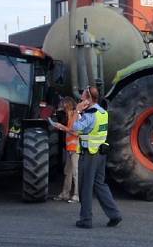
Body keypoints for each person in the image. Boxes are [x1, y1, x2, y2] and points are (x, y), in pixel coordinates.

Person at [72, 86, 122, 228]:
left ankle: (86, 219)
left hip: (89, 154)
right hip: (101, 154)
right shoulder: (102, 112)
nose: (80, 98)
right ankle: (115, 214)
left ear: (88, 98)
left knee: (86, 187)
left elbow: (75, 127)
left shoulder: (90, 115)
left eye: (82, 96)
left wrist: (77, 110)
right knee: (100, 184)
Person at [52, 97, 80, 203]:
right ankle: (65, 193)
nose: (62, 109)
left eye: (63, 106)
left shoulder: (76, 116)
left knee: (75, 172)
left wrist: (63, 128)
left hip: (76, 148)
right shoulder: (70, 116)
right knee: (67, 171)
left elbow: (77, 133)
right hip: (70, 148)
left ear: (67, 105)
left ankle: (76, 195)